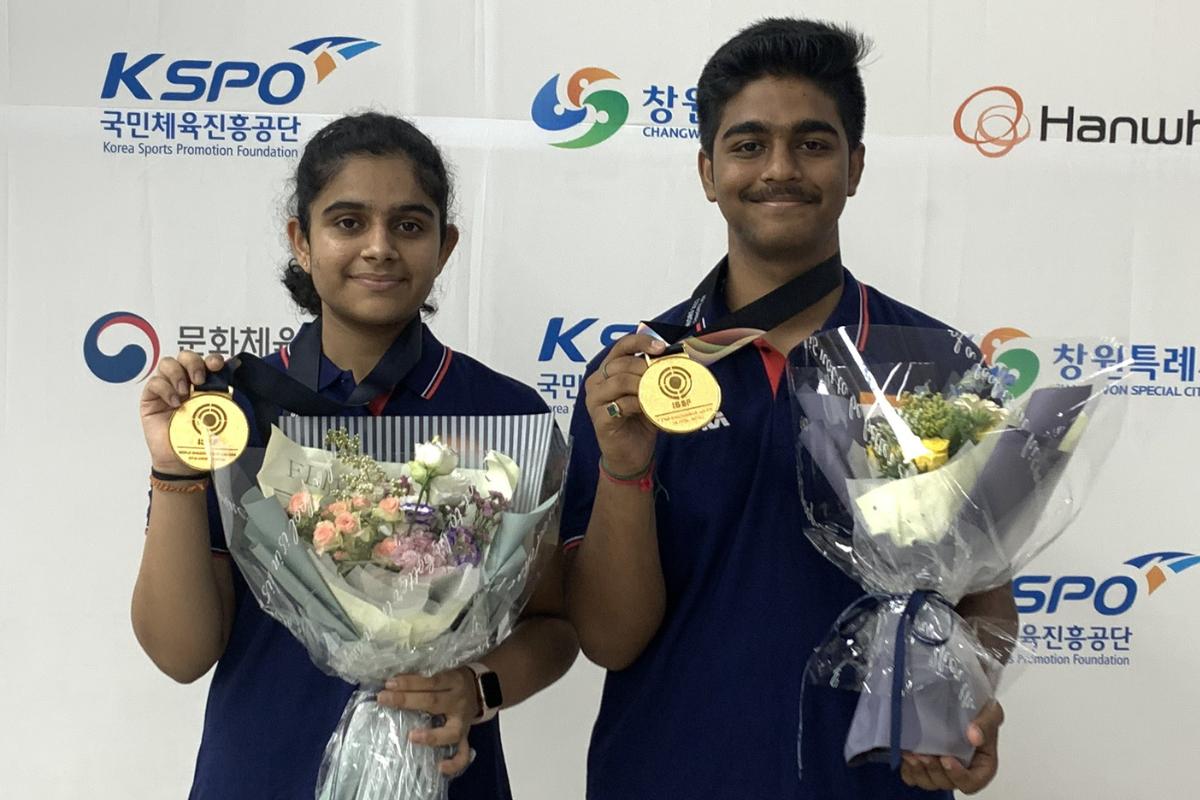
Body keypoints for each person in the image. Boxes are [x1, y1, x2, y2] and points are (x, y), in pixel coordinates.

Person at [562, 18, 1017, 800]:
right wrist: (627, 469)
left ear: (856, 165)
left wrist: (960, 704)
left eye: (812, 142)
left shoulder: (937, 364)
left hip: (872, 783)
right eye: (747, 145)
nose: (780, 169)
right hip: (664, 774)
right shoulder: (639, 378)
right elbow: (609, 638)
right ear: (707, 171)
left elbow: (984, 601)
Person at [131, 112, 578, 800]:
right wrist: (173, 467)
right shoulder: (231, 408)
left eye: (408, 224)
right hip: (263, 772)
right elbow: (181, 652)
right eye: (347, 222)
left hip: (444, 771)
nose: (379, 247)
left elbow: (554, 623)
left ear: (445, 244)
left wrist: (477, 686)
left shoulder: (505, 415)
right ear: (300, 242)